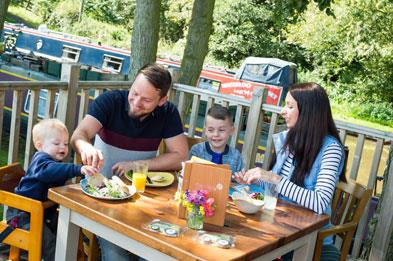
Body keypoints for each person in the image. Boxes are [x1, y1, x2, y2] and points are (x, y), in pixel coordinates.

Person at [70, 63, 188, 261]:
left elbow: (181, 156)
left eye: (146, 100)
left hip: (144, 200)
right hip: (103, 196)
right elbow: (79, 135)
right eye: (134, 93)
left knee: (157, 254)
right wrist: (85, 146)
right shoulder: (110, 101)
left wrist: (138, 165)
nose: (136, 102)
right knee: (118, 257)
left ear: (162, 101)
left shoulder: (168, 113)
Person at [235, 83, 346, 260]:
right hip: (279, 228)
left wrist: (273, 177)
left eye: (289, 106)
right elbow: (276, 187)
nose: (282, 111)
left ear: (308, 112)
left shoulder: (331, 149)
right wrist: (254, 179)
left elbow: (320, 202)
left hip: (310, 241)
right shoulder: (291, 138)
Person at [7, 118, 97, 261]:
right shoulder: (41, 161)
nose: (63, 147)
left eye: (66, 144)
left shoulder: (56, 163)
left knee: (68, 232)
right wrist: (78, 169)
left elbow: (58, 176)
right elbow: (49, 171)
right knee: (50, 245)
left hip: (44, 213)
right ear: (40, 145)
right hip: (23, 215)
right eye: (56, 143)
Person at [189, 104, 244, 174]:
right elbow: (188, 174)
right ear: (205, 131)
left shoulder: (236, 156)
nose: (216, 134)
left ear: (231, 131)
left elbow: (239, 182)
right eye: (211, 130)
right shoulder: (197, 151)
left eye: (221, 130)